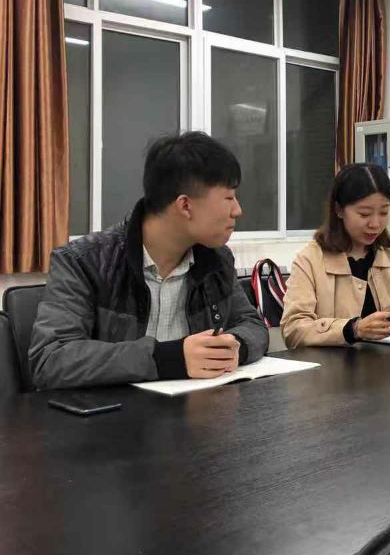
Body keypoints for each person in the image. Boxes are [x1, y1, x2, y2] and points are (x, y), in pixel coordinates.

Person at [30, 132, 269, 389]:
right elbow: (51, 359)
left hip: (199, 408)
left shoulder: (216, 260)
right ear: (185, 206)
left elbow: (252, 325)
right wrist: (168, 359)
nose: (238, 210)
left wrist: (234, 347)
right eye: (229, 198)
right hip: (112, 411)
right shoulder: (83, 262)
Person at [281, 163, 390, 348]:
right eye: (364, 214)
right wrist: (353, 329)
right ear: (339, 210)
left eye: (383, 212)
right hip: (334, 365)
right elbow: (293, 329)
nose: (375, 223)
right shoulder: (309, 260)